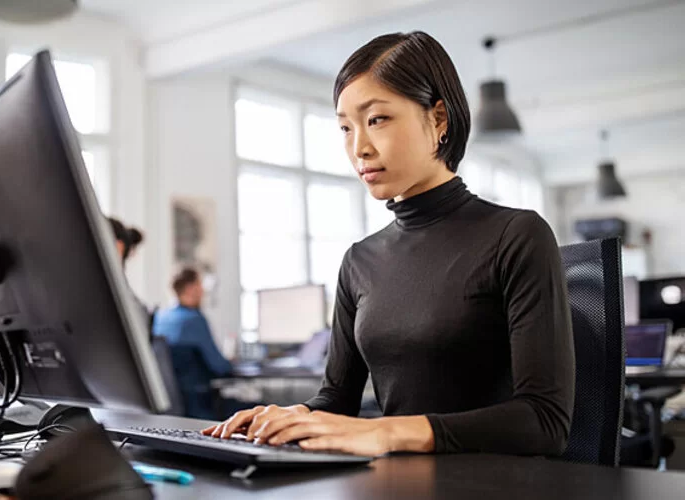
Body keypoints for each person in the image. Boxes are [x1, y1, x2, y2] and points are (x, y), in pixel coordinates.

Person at [203, 31, 575, 457]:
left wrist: (387, 432)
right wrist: (291, 416)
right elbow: (336, 400)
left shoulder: (516, 236)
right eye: (345, 127)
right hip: (396, 482)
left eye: (376, 119)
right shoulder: (359, 260)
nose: (359, 147)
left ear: (438, 120)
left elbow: (544, 421)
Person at [153, 268, 235, 419]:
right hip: (199, 405)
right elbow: (220, 367)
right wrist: (231, 362)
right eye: (201, 285)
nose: (203, 291)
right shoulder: (194, 319)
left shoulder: (160, 317)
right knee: (261, 407)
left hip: (168, 403)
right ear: (192, 288)